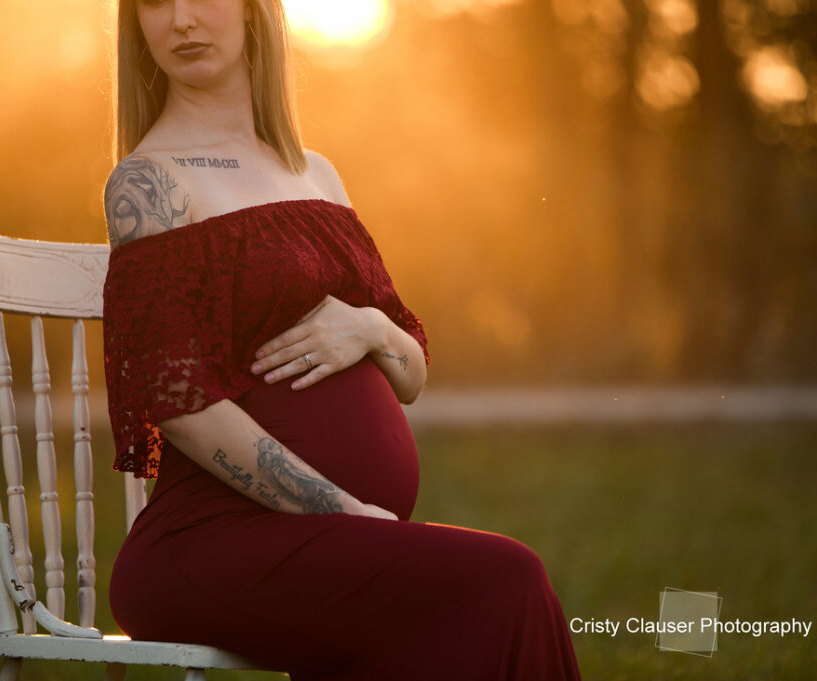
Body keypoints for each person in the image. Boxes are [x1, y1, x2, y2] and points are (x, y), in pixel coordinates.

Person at [101, 1, 582, 679]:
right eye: (155, 0)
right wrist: (344, 509)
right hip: (205, 543)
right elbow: (177, 402)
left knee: (461, 616)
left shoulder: (314, 173)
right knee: (509, 579)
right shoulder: (151, 183)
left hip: (318, 542)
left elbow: (410, 371)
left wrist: (369, 326)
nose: (180, 20)